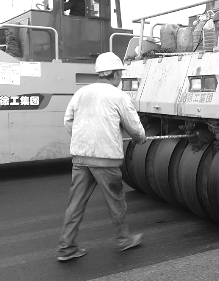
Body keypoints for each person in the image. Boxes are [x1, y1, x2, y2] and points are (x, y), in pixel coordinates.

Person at [57, 52, 147, 261]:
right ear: (115, 73)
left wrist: (83, 139)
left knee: (75, 203)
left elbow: (68, 121)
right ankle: (124, 239)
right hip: (106, 160)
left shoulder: (81, 93)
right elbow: (135, 128)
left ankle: (66, 248)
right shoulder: (119, 96)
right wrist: (140, 138)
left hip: (80, 158)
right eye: (120, 74)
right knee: (116, 201)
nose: (120, 78)